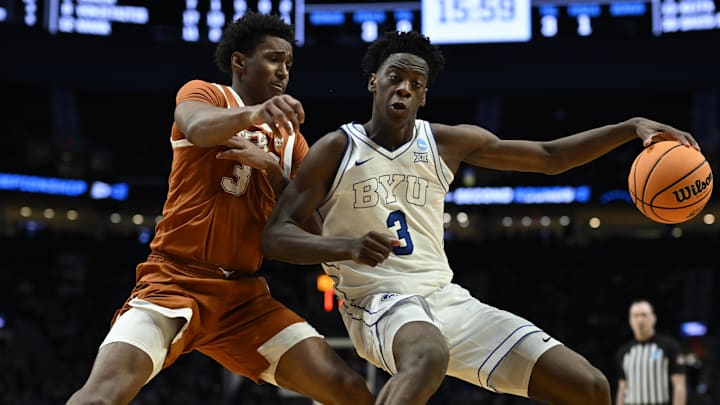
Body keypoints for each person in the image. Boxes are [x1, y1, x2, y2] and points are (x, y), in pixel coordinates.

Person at [261, 30, 701, 405]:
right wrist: (346, 247)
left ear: (425, 95)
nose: (405, 89)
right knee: (428, 355)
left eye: (416, 83)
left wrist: (629, 127)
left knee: (588, 386)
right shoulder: (336, 149)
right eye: (395, 78)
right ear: (374, 82)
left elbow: (549, 157)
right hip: (376, 302)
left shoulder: (447, 143)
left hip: (446, 300)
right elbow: (276, 237)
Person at [67, 11, 373, 405]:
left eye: (289, 64)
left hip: (243, 299)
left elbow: (317, 232)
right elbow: (196, 127)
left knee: (351, 392)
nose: (283, 72)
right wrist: (253, 114)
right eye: (274, 59)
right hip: (174, 282)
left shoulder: (293, 143)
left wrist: (273, 174)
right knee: (100, 396)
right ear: (239, 62)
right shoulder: (206, 94)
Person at [615, 299, 687, 405]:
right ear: (630, 320)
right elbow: (622, 389)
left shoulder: (669, 346)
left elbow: (679, 385)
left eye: (644, 315)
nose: (640, 320)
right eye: (635, 315)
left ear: (653, 318)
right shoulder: (624, 352)